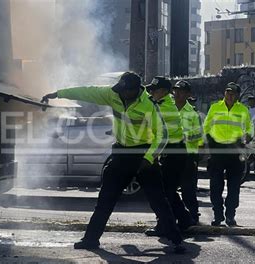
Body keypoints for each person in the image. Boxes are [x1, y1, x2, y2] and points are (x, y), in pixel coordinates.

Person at [41, 72, 186, 253]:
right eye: (120, 90)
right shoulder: (113, 94)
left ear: (135, 91)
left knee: (158, 201)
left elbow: (162, 136)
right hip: (121, 154)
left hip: (142, 156)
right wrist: (58, 94)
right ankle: (90, 240)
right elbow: (87, 92)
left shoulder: (149, 106)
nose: (120, 94)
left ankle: (176, 241)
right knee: (105, 200)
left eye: (125, 91)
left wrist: (149, 159)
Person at [145, 77, 195, 234]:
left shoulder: (164, 107)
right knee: (168, 191)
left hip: (174, 154)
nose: (151, 92)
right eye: (151, 89)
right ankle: (185, 219)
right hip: (172, 153)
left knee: (164, 193)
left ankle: (165, 225)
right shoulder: (162, 104)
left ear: (164, 92)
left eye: (155, 90)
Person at [204, 82, 253, 227]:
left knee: (234, 186)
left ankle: (230, 215)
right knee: (215, 185)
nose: (230, 96)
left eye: (233, 93)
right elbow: (206, 126)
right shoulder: (215, 107)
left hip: (235, 151)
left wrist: (248, 136)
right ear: (224, 93)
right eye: (228, 92)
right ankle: (218, 215)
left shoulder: (243, 109)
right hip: (217, 150)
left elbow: (249, 128)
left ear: (237, 95)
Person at [172, 80, 204, 224]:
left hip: (187, 156)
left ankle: (192, 217)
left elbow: (199, 135)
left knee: (188, 190)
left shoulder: (193, 113)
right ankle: (167, 218)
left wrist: (185, 136)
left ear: (188, 94)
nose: (177, 93)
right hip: (169, 155)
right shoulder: (167, 109)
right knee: (168, 190)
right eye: (176, 90)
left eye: (181, 91)